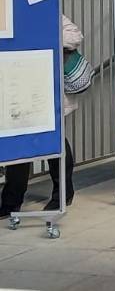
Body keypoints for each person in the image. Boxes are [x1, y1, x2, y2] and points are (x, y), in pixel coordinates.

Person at [0, 15, 82, 218]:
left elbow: (75, 36)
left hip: (45, 87)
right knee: (19, 144)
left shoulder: (46, 11)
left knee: (55, 141)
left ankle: (63, 193)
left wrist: (42, 34)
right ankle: (11, 201)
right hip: (15, 89)